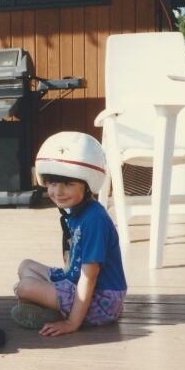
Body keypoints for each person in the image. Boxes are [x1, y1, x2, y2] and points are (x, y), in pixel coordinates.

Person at [11, 132, 127, 337]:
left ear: (88, 183)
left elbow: (89, 276)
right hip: (77, 284)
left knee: (24, 288)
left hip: (102, 300)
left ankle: (57, 313)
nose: (59, 191)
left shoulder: (94, 220)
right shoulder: (76, 212)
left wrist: (72, 323)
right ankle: (48, 307)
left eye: (68, 184)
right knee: (25, 266)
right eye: (53, 183)